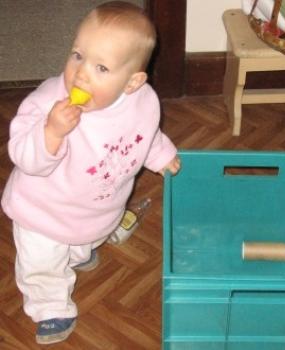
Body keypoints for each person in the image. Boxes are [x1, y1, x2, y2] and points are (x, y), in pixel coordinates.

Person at [1, 1, 180, 345]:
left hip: (98, 206)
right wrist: (50, 133)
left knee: (86, 241)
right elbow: (24, 156)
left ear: (133, 83)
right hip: (42, 211)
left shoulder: (143, 101)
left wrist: (160, 154)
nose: (80, 74)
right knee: (43, 263)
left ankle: (79, 251)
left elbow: (145, 133)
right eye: (77, 55)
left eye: (101, 67)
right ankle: (50, 306)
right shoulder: (48, 103)